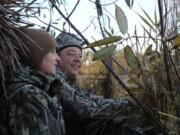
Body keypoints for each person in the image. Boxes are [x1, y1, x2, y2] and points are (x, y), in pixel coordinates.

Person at [49, 32, 137, 135]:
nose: (78, 60)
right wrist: (131, 104)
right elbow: (86, 108)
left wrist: (126, 102)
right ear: (57, 57)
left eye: (80, 56)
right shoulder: (53, 79)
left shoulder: (68, 80)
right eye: (71, 54)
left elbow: (88, 99)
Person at [0, 28, 65, 135]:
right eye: (52, 52)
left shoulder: (31, 89)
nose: (58, 58)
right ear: (35, 54)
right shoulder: (28, 95)